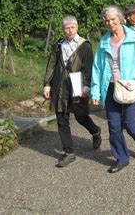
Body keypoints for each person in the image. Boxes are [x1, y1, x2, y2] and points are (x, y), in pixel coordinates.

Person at [91, 5, 135, 173]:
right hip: (111, 87)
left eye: (113, 19)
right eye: (107, 20)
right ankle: (121, 158)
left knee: (129, 123)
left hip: (130, 87)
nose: (110, 23)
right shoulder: (104, 42)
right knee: (114, 126)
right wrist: (95, 91)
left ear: (120, 18)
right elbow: (97, 68)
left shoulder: (133, 38)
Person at [43, 16, 101, 167]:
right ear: (63, 29)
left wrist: (87, 88)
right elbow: (51, 64)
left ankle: (95, 131)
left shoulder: (85, 46)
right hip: (60, 87)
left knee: (81, 116)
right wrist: (47, 84)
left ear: (76, 28)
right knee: (62, 118)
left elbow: (88, 69)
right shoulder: (58, 44)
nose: (69, 31)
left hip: (77, 86)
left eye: (72, 28)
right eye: (66, 28)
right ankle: (69, 152)